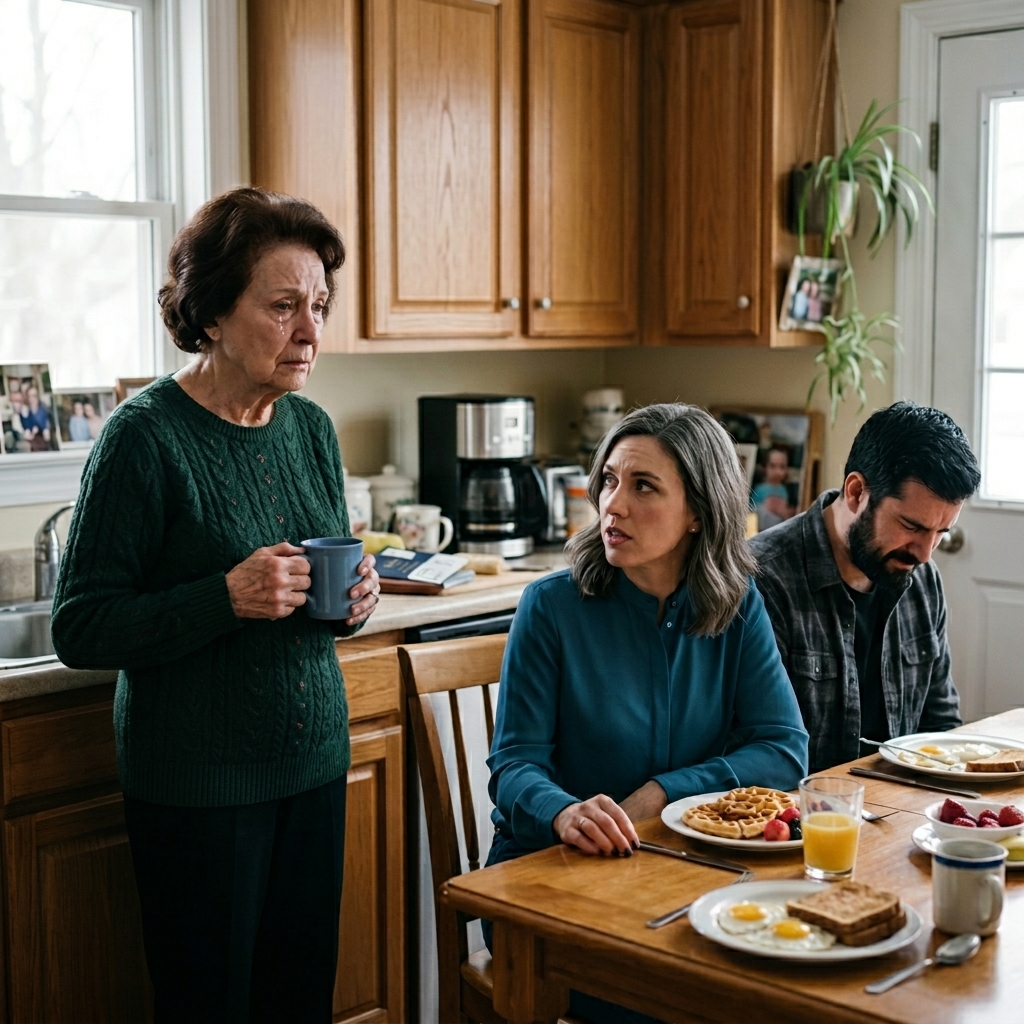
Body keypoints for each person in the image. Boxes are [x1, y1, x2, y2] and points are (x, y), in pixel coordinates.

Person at [50, 186, 381, 1024]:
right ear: (213, 312)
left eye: (319, 306)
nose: (309, 331)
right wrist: (223, 597)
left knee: (298, 1002)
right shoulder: (144, 438)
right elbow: (81, 625)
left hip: (312, 765)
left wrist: (355, 603)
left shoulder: (308, 428)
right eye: (283, 307)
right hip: (199, 789)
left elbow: (314, 585)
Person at [484, 404, 808, 1024]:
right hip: (553, 882)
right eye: (608, 480)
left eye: (643, 487)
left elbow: (784, 748)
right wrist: (565, 813)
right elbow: (514, 765)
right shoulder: (549, 607)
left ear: (697, 513)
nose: (613, 504)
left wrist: (664, 793)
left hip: (685, 879)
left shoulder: (738, 605)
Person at [750, 402, 981, 775]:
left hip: (904, 810)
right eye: (912, 526)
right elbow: (755, 751)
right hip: (801, 820)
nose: (924, 553)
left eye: (941, 533)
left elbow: (940, 727)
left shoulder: (922, 578)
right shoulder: (762, 579)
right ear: (856, 491)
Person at [751, 447, 796, 530]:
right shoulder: (759, 489)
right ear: (765, 467)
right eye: (772, 466)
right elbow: (752, 514)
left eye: (782, 467)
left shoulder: (784, 490)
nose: (777, 472)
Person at [18, 385, 53, 451]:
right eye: (29, 396)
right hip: (31, 441)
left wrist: (38, 428)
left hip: (42, 439)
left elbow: (45, 424)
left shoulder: (43, 408)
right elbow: (25, 426)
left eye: (34, 395)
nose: (32, 398)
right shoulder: (25, 409)